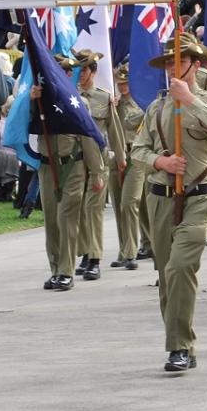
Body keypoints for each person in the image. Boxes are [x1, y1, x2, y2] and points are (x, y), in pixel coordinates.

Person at [130, 33, 207, 372]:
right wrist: (162, 163)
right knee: (166, 274)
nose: (174, 69)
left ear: (196, 65)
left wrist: (190, 101)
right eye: (169, 62)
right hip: (160, 198)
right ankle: (180, 341)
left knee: (180, 267)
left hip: (198, 198)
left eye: (181, 62)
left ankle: (179, 347)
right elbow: (137, 151)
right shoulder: (156, 107)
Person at [34, 53, 104, 291]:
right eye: (59, 72)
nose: (64, 76)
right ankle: (55, 269)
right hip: (46, 166)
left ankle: (66, 271)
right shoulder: (38, 101)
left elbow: (89, 140)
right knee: (51, 221)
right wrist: (31, 98)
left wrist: (97, 173)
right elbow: (10, 111)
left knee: (67, 219)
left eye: (67, 72)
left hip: (72, 166)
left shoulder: (77, 102)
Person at [73, 49, 116, 279]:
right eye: (78, 70)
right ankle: (86, 253)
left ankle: (95, 258)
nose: (81, 75)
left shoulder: (103, 97)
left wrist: (120, 157)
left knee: (94, 209)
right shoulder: (71, 96)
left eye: (85, 70)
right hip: (78, 161)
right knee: (80, 209)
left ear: (94, 71)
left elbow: (113, 129)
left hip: (99, 159)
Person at [107, 64, 148, 270]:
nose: (123, 87)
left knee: (129, 203)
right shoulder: (113, 103)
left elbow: (136, 121)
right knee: (118, 205)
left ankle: (131, 252)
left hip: (135, 156)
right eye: (120, 83)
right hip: (116, 155)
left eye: (126, 83)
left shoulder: (142, 103)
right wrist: (110, 108)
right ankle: (124, 250)